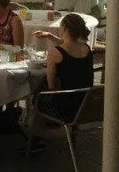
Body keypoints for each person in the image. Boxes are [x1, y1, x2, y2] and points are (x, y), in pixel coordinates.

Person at [30, 13, 94, 144]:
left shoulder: (55, 53)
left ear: (64, 28)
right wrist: (50, 36)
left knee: (37, 99)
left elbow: (51, 86)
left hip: (65, 110)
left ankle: (35, 139)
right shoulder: (86, 49)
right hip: (86, 104)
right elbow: (69, 46)